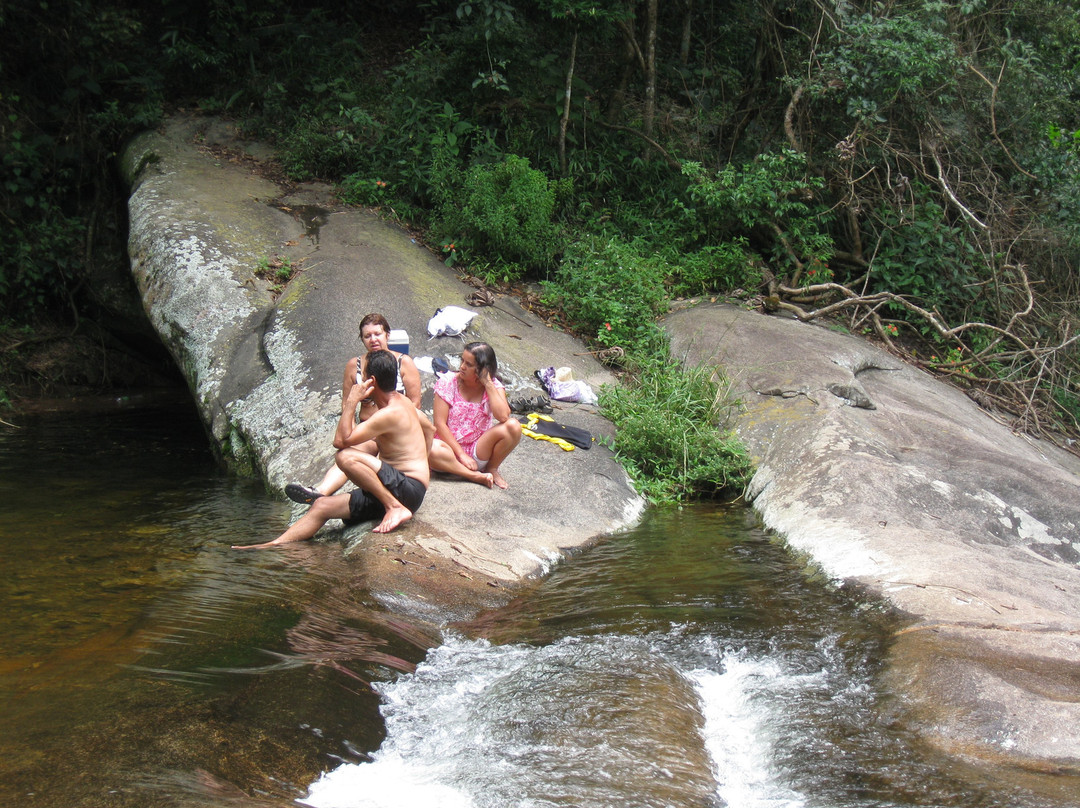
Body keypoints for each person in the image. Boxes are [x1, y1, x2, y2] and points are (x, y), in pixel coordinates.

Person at [234, 350, 434, 548]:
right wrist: (423, 464)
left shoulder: (390, 412)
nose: (359, 379)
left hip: (406, 489)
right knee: (321, 505)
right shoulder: (404, 403)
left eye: (361, 374)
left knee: (346, 457)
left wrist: (352, 401)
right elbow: (429, 428)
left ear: (371, 380)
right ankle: (274, 544)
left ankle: (394, 507)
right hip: (397, 487)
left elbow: (341, 441)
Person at [285, 313, 421, 505]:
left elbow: (415, 403)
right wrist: (350, 431)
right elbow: (347, 403)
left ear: (387, 335)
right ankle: (320, 492)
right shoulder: (354, 365)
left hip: (395, 430)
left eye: (377, 334)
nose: (373, 339)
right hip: (367, 430)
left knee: (366, 455)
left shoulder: (403, 362)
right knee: (349, 453)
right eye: (367, 336)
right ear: (362, 339)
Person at [428, 341, 522, 490]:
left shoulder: (494, 386)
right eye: (462, 361)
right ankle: (473, 476)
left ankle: (491, 469)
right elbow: (439, 424)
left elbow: (503, 416)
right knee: (430, 447)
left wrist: (488, 383)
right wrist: (461, 455)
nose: (462, 367)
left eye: (469, 364)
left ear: (483, 369)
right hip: (448, 452)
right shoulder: (447, 382)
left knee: (513, 426)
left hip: (478, 451)